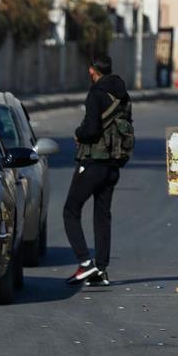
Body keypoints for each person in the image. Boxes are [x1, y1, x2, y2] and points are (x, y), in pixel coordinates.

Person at [64, 53, 131, 287]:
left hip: (93, 161)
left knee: (70, 211)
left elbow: (91, 130)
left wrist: (78, 133)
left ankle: (85, 263)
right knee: (102, 215)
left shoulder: (96, 93)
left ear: (93, 70)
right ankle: (101, 270)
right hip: (114, 164)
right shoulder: (122, 94)